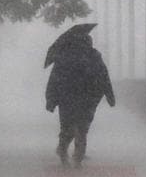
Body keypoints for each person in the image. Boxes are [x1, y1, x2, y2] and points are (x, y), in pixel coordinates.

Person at [45, 35, 115, 168]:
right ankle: (76, 158)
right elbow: (104, 77)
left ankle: (64, 152)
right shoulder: (94, 57)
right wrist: (110, 96)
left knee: (68, 128)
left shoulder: (64, 57)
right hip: (87, 100)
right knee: (82, 129)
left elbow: (54, 80)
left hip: (67, 100)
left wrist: (51, 100)